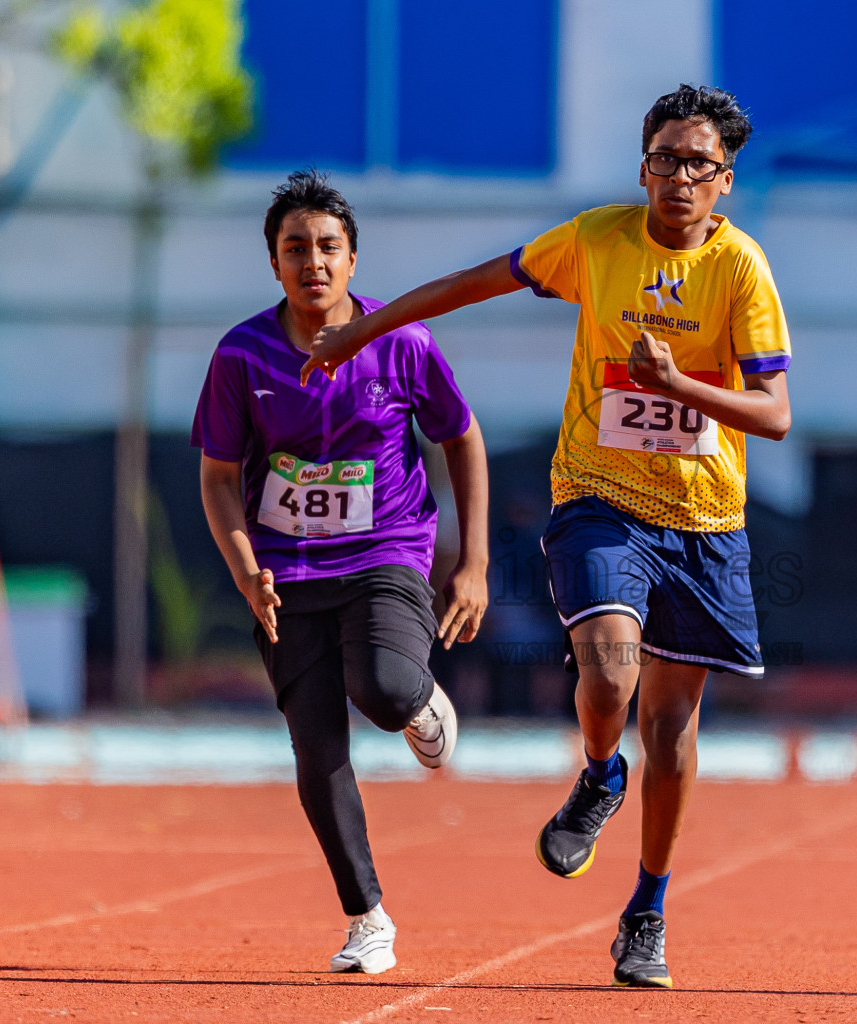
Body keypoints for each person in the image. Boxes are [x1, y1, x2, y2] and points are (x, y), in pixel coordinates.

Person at [297, 84, 792, 988]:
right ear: (641, 165)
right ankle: (601, 774)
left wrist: (679, 387)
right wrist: (366, 328)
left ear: (725, 180)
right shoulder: (597, 239)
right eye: (661, 160)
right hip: (599, 495)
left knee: (673, 726)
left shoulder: (743, 271)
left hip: (705, 518)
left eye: (696, 165)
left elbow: (776, 414)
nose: (676, 178)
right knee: (608, 675)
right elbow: (474, 282)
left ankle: (647, 911)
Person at [191, 170, 489, 974]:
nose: (312, 261)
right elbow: (219, 476)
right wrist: (246, 567)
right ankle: (368, 919)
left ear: (353, 259)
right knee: (315, 746)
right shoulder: (240, 355)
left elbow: (461, 437)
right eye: (295, 249)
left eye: (328, 247)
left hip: (385, 549)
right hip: (284, 569)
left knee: (385, 691)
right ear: (275, 264)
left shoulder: (402, 342)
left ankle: (421, 701)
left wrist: (474, 565)